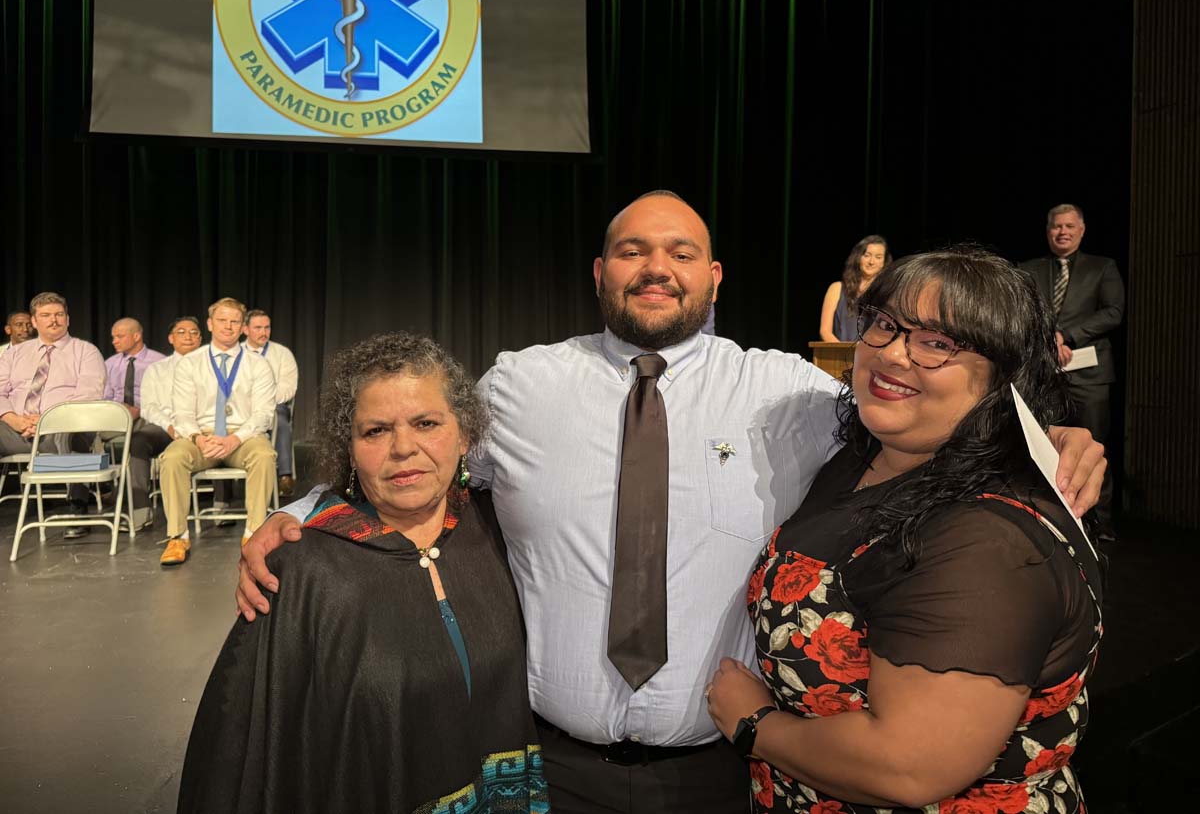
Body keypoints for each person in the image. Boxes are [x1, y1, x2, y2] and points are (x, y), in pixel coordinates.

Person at [239, 193, 1106, 814]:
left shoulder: (792, 396)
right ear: (600, 271)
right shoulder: (521, 386)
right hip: (551, 767)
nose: (657, 268)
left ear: (714, 277)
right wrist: (304, 513)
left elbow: (923, 416)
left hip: (726, 775)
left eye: (682, 253)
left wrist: (1047, 438)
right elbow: (412, 456)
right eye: (632, 251)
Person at [705, 247, 1102, 812]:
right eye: (886, 325)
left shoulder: (990, 544)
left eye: (937, 343)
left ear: (1003, 372)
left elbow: (908, 765)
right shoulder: (866, 453)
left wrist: (755, 725)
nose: (892, 353)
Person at [178, 332, 546, 814]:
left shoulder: (500, 530)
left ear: (465, 435)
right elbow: (242, 755)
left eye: (426, 423)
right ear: (350, 450)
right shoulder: (303, 570)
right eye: (375, 431)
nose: (403, 448)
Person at [1020, 204, 1125, 541]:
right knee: (1044, 444)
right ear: (1047, 231)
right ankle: (1049, 514)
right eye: (1056, 226)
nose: (1062, 232)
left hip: (1090, 374)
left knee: (1094, 445)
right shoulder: (1029, 269)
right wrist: (1048, 338)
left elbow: (1113, 312)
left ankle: (1100, 521)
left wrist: (1067, 335)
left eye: (1069, 226)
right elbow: (1021, 311)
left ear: (1082, 229)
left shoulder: (1103, 267)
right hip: (1043, 372)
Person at [156, 298, 276, 566]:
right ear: (210, 324)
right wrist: (198, 438)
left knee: (264, 455)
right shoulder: (190, 363)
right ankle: (178, 536)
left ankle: (253, 534)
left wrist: (234, 439)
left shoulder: (258, 364)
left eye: (234, 321)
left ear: (243, 327)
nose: (228, 326)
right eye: (222, 320)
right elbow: (182, 414)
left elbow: (263, 414)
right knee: (172, 457)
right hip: (202, 436)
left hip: (243, 435)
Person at [0, 292, 106, 535]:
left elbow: (88, 395)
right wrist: (13, 419)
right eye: (46, 315)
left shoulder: (86, 351)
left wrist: (48, 419)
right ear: (34, 321)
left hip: (60, 428)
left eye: (59, 314)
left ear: (68, 319)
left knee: (74, 429)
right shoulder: (14, 354)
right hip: (16, 430)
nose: (54, 320)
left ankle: (77, 510)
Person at [101, 318, 167, 529]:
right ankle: (99, 492)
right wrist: (117, 409)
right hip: (118, 418)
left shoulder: (159, 362)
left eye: (119, 336)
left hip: (150, 418)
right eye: (113, 337)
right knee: (84, 433)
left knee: (137, 441)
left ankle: (133, 507)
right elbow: (105, 397)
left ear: (136, 336)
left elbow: (167, 399)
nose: (114, 341)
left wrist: (140, 409)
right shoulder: (110, 364)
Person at [242, 309, 299, 496]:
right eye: (258, 328)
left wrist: (264, 399)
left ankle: (285, 475)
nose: (263, 332)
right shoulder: (237, 353)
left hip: (274, 405)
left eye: (267, 327)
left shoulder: (282, 354)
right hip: (242, 408)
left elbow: (288, 388)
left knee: (279, 420)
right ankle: (223, 490)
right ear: (245, 329)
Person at [140, 316, 205, 439]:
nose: (188, 337)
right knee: (140, 440)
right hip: (165, 426)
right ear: (171, 338)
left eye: (194, 333)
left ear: (200, 339)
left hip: (203, 426)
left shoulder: (211, 367)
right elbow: (148, 407)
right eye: (181, 332)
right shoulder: (156, 369)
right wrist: (168, 425)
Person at [819, 235, 891, 342]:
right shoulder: (836, 288)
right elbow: (825, 331)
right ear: (858, 257)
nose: (871, 262)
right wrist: (844, 351)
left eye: (878, 257)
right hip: (839, 351)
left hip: (872, 351)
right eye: (867, 255)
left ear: (884, 262)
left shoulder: (887, 291)